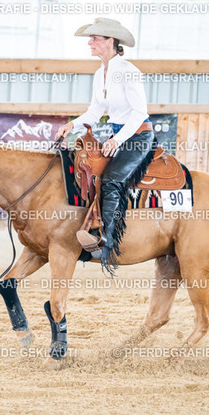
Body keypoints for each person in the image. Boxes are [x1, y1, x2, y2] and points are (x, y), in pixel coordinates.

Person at [56, 18, 156, 274]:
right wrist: (72, 125)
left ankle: (107, 244)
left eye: (94, 38)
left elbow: (139, 112)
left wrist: (117, 140)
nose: (89, 43)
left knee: (111, 179)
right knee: (94, 173)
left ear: (110, 41)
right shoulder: (99, 74)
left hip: (138, 137)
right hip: (119, 135)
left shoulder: (129, 71)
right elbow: (95, 111)